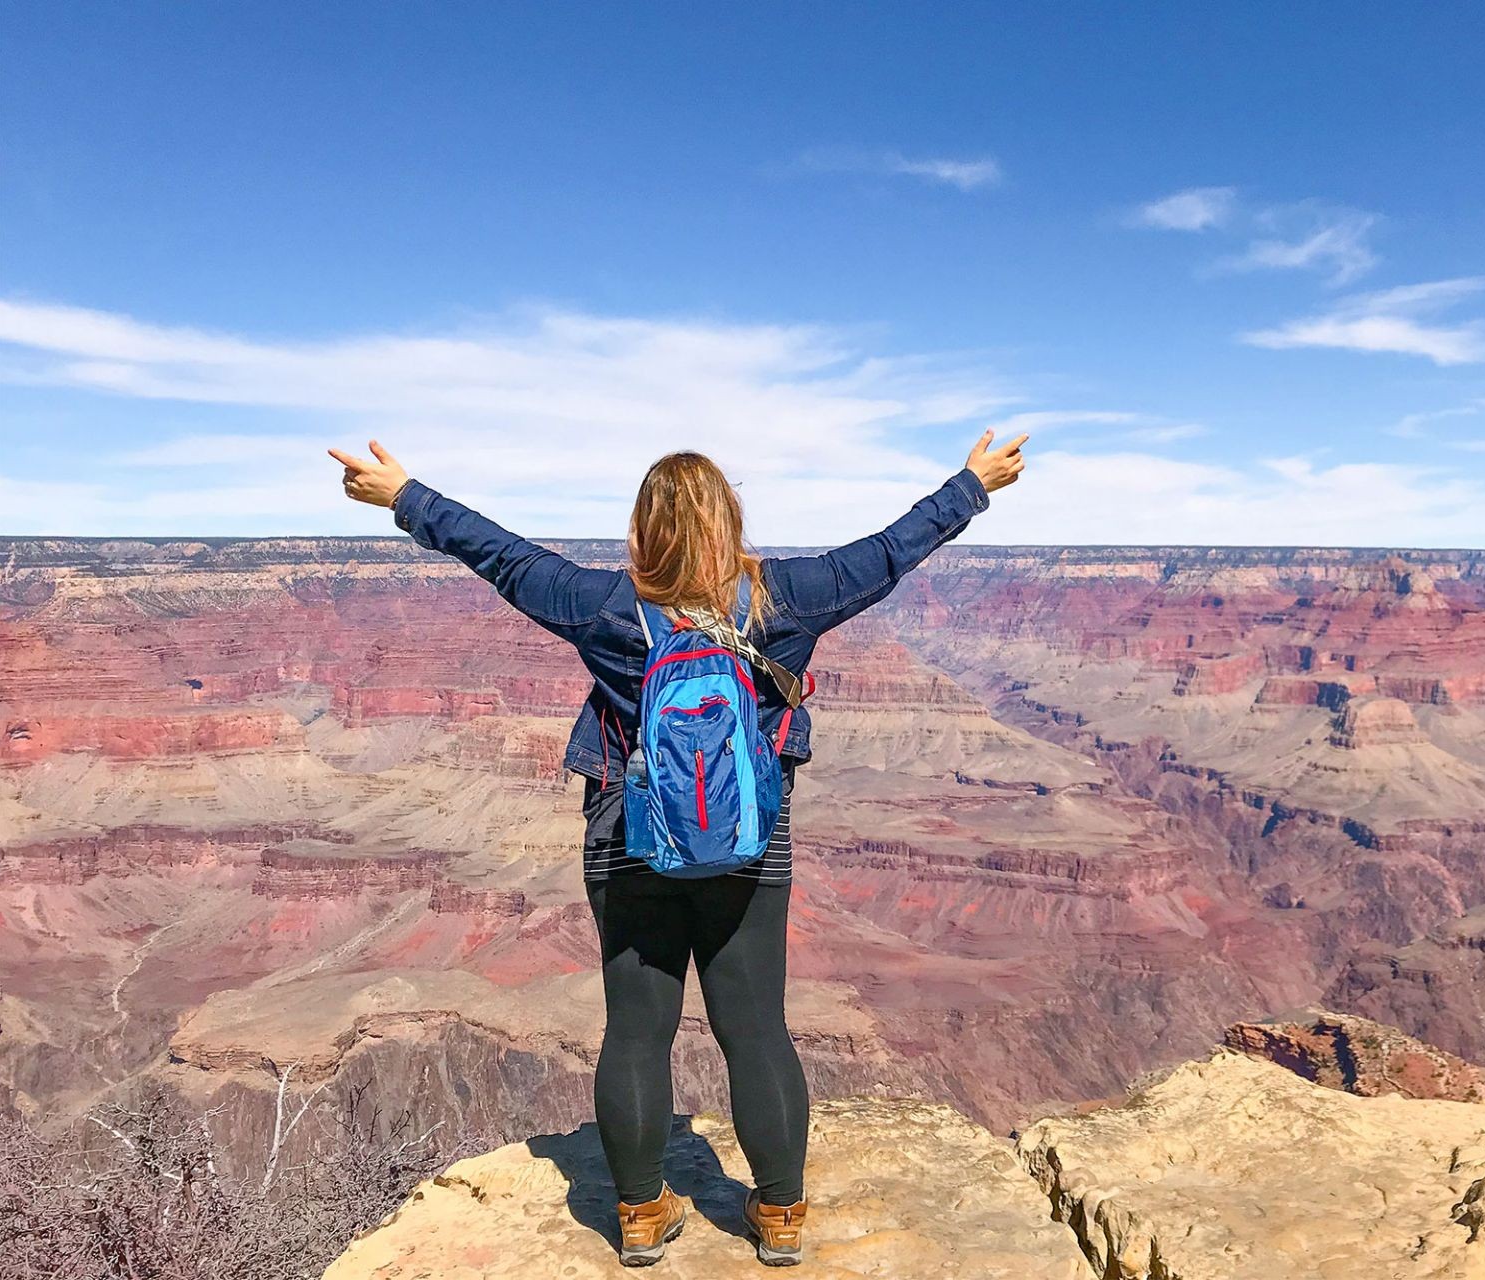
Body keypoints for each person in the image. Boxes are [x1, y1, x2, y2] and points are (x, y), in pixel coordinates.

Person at [327, 432, 1026, 1267]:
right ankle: (778, 1217)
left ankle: (641, 1215)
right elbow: (890, 552)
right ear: (731, 524)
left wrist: (404, 495)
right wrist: (971, 485)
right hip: (747, 850)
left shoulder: (602, 604)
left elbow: (502, 556)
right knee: (757, 1029)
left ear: (643, 530)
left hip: (628, 839)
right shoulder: (790, 599)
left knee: (635, 1030)